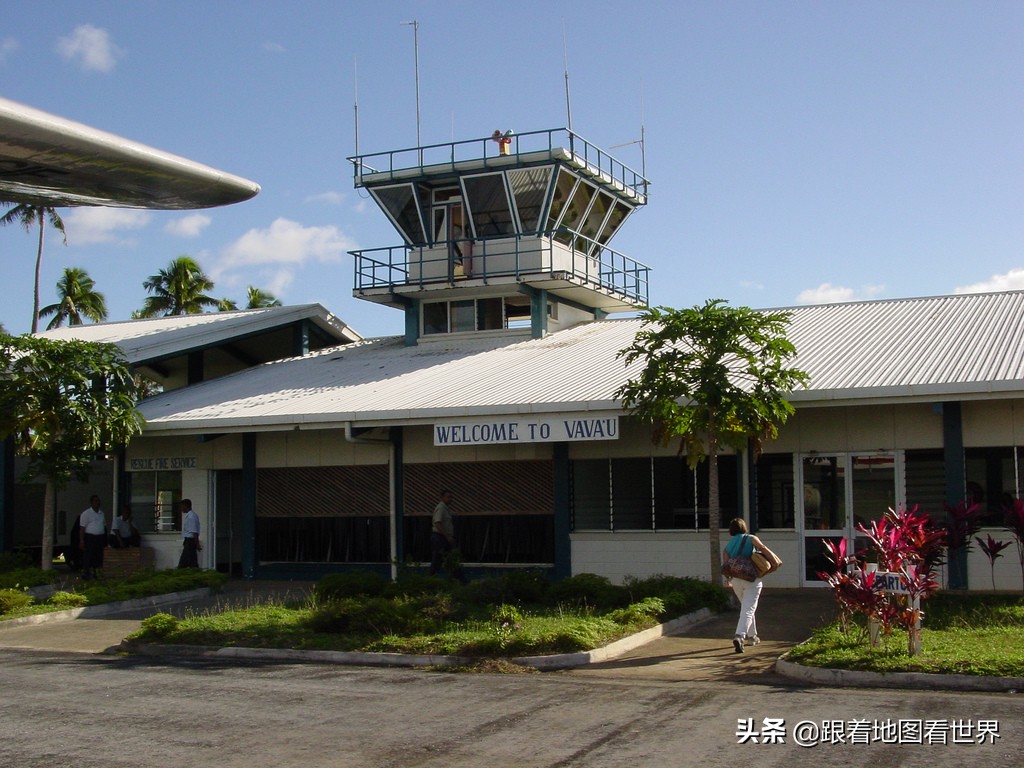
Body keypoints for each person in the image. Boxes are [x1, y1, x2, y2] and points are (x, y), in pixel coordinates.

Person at [722, 517, 779, 654]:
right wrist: (774, 561)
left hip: (736, 580)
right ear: (743, 527)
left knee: (747, 608)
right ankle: (740, 636)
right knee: (748, 609)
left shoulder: (728, 546)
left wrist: (728, 579)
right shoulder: (751, 538)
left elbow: (726, 564)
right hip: (752, 579)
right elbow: (763, 549)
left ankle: (753, 636)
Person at [429, 489, 467, 583]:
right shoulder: (441, 508)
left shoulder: (445, 508)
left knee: (450, 558)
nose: (451, 499)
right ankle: (430, 578)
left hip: (443, 538)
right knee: (437, 559)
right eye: (448, 497)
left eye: (451, 497)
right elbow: (438, 523)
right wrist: (447, 536)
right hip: (440, 538)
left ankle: (461, 579)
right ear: (442, 498)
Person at [78, 495, 107, 579]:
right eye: (95, 501)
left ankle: (97, 572)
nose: (97, 503)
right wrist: (81, 540)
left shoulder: (102, 513)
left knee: (98, 555)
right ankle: (86, 572)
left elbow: (104, 525)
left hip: (99, 537)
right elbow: (82, 528)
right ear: (91, 503)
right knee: (88, 555)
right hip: (90, 537)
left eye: (98, 501)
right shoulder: (86, 513)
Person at [177, 498, 201, 568]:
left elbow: (194, 531)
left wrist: (197, 543)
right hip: (188, 541)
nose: (181, 508)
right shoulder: (190, 516)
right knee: (189, 560)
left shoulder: (191, 517)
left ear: (186, 506)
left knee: (188, 560)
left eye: (182, 506)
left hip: (190, 541)